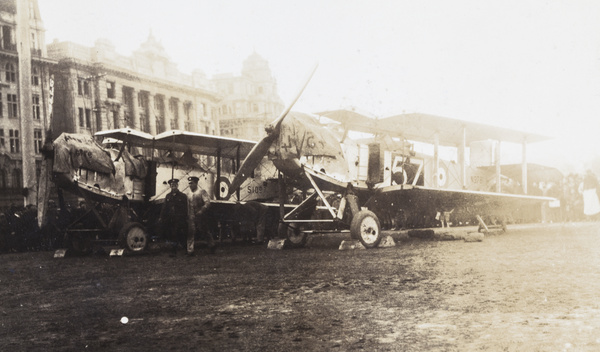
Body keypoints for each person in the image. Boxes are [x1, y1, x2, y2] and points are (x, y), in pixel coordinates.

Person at [158, 178, 188, 256]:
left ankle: (186, 249)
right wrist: (161, 217)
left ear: (177, 186)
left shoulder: (182, 196)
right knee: (172, 234)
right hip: (171, 219)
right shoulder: (168, 196)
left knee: (181, 234)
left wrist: (185, 218)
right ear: (170, 186)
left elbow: (185, 208)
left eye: (175, 185)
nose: (173, 187)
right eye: (172, 185)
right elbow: (164, 208)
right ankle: (173, 251)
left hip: (180, 218)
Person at [186, 176, 215, 254]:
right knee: (191, 232)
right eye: (189, 183)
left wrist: (201, 211)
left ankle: (211, 245)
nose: (190, 185)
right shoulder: (188, 194)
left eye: (192, 183)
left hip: (201, 216)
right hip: (191, 215)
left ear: (196, 183)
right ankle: (190, 250)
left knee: (205, 230)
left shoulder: (202, 192)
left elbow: (207, 202)